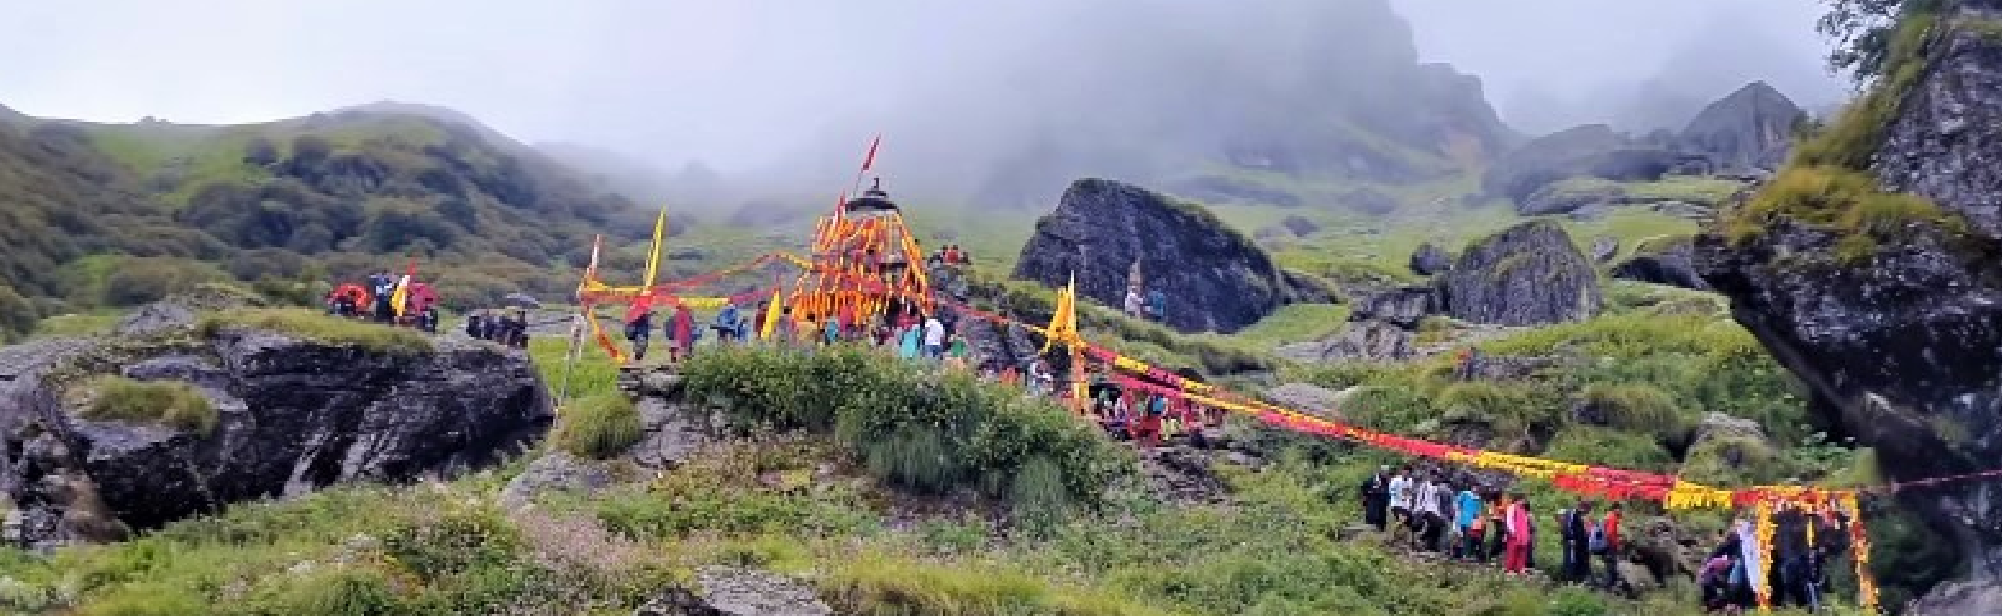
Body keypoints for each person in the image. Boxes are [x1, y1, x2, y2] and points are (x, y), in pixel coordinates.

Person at [1563, 502, 1593, 584]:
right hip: (1573, 542)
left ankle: (1579, 579)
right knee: (1571, 561)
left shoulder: (1579, 515)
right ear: (1583, 508)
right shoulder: (1572, 514)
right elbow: (1569, 527)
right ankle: (1570, 580)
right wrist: (1571, 538)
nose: (1587, 513)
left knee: (1581, 560)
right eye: (1587, 511)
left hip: (1581, 543)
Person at [1600, 502, 1626, 593]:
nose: (1622, 512)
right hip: (1610, 547)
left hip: (1606, 546)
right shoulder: (1612, 518)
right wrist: (1616, 543)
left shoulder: (1608, 516)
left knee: (1610, 567)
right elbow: (1610, 534)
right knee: (1611, 568)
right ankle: (1606, 590)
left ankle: (1610, 588)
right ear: (1616, 509)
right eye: (1621, 510)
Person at [1504, 492, 1532, 575]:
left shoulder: (1523, 509)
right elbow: (1509, 521)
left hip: (1523, 533)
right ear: (1517, 500)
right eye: (1522, 500)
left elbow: (1525, 521)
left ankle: (1520, 568)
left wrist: (1527, 533)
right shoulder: (1512, 507)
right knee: (1512, 551)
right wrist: (1512, 531)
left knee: (1522, 551)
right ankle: (1510, 569)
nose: (1523, 501)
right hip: (1515, 533)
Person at [1455, 483, 1483, 561]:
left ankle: (1466, 555)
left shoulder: (1478, 498)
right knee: (1461, 537)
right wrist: (1459, 512)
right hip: (1463, 518)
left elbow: (1478, 510)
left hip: (1472, 522)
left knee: (1469, 538)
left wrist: (1478, 520)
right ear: (1472, 487)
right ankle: (1459, 554)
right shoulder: (1465, 494)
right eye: (1475, 487)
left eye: (1478, 488)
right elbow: (1457, 502)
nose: (1476, 489)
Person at [1360, 466, 1391, 532]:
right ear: (1381, 471)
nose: (1385, 473)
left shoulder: (1387, 480)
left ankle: (1381, 530)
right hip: (1373, 500)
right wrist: (1366, 495)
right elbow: (1364, 487)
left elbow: (1388, 491)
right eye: (1384, 472)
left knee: (1382, 516)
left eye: (1386, 472)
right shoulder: (1372, 480)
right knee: (1373, 516)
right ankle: (1373, 530)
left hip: (1382, 501)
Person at [1387, 468, 1413, 545]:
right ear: (1402, 472)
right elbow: (1391, 491)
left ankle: (1409, 540)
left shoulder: (1410, 481)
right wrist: (1399, 496)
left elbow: (1409, 491)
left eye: (1407, 473)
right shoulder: (1396, 480)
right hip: (1396, 503)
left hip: (1406, 505)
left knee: (1409, 522)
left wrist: (1408, 498)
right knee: (1401, 519)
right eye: (1404, 472)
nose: (1405, 474)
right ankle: (1391, 535)